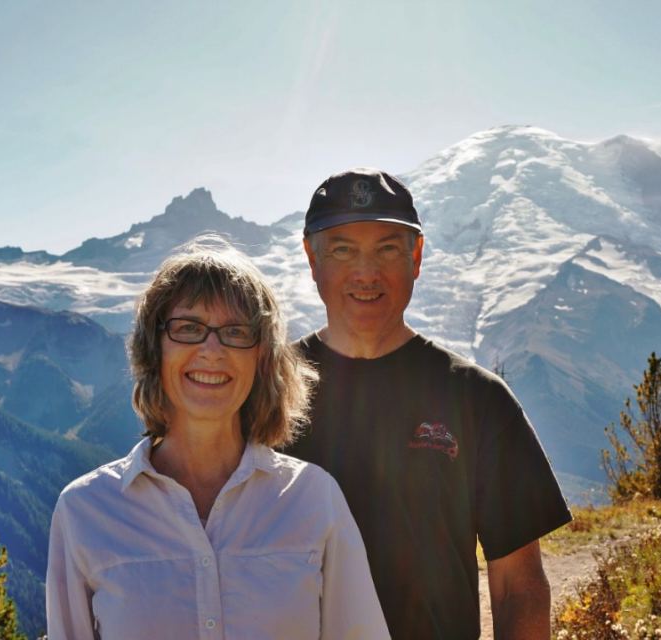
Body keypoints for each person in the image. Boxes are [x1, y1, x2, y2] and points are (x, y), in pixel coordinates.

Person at [46, 236, 389, 639]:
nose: (212, 350)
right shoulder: (84, 510)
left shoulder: (314, 499)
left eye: (236, 331)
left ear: (261, 359)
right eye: (188, 328)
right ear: (154, 350)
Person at [283, 168, 573, 639]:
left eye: (387, 249)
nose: (366, 273)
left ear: (416, 256)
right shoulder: (269, 392)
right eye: (342, 250)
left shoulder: (477, 399)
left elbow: (518, 588)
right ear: (312, 259)